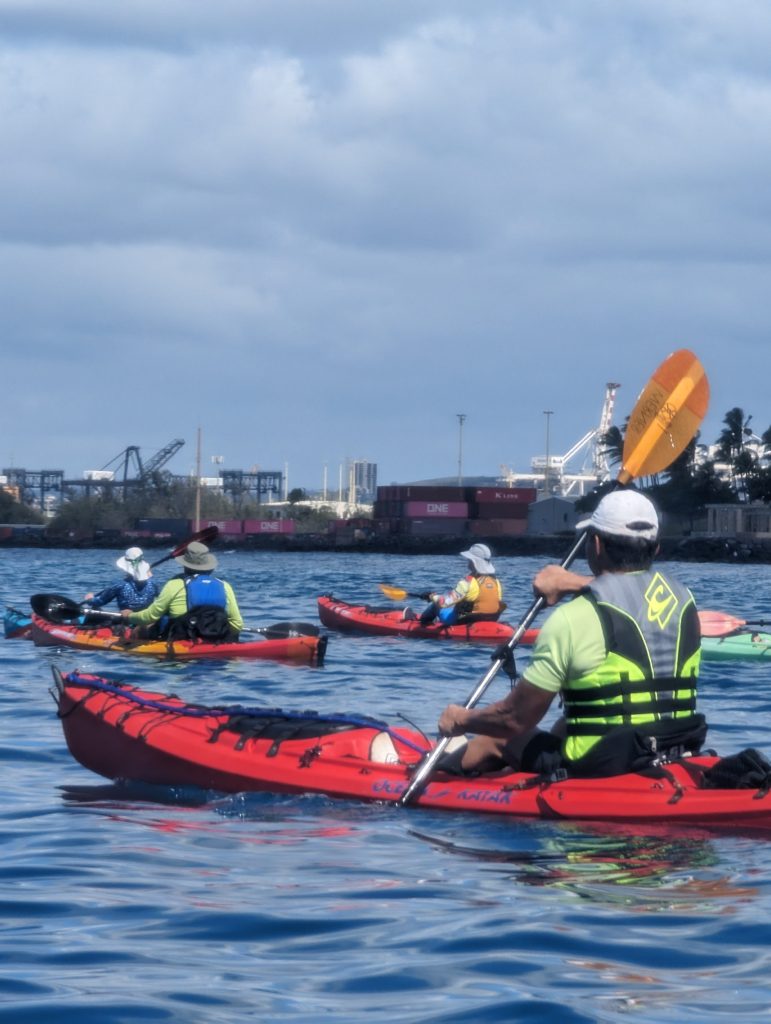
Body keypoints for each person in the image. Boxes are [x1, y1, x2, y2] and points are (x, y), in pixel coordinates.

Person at [437, 489, 706, 778]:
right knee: (567, 723)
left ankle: (435, 778)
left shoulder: (571, 618)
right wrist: (571, 583)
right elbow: (631, 591)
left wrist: (462, 719)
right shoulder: (685, 602)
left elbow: (513, 719)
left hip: (604, 766)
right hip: (674, 750)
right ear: (655, 549)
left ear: (597, 544)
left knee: (497, 738)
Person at [122, 541, 243, 642]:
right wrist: (212, 630)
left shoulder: (174, 584)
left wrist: (129, 616)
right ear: (209, 567)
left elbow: (150, 616)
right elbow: (237, 625)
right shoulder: (225, 586)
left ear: (185, 566)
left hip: (180, 640)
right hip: (216, 639)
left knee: (143, 627)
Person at [418, 543, 505, 626]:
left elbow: (443, 602)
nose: (468, 562)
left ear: (474, 561)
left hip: (466, 621)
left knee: (435, 606)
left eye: (470, 560)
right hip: (491, 618)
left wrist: (432, 597)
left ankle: (422, 625)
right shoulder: (496, 582)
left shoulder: (467, 582)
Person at [84, 546, 160, 612]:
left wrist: (90, 599)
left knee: (95, 608)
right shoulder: (153, 583)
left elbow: (100, 601)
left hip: (126, 620)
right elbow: (160, 599)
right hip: (146, 619)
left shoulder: (120, 585)